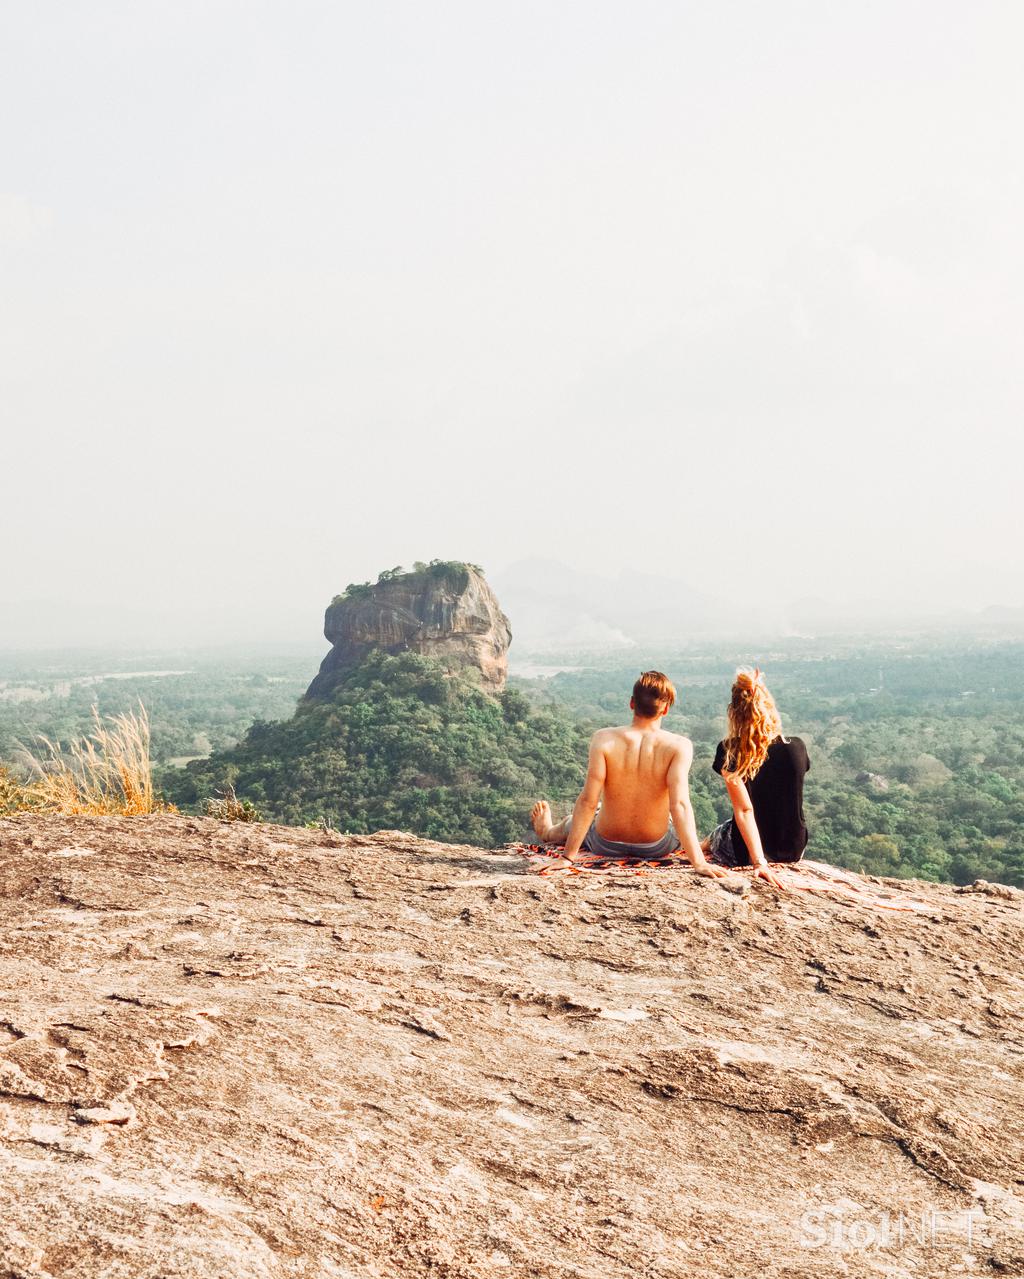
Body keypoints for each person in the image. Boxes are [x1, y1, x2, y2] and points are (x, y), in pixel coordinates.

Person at [530, 671, 732, 878]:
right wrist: (698, 862)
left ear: (631, 703)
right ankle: (702, 846)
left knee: (571, 821)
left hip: (605, 843)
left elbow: (588, 801)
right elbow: (679, 805)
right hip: (656, 846)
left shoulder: (603, 739)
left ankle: (548, 832)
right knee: (671, 817)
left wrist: (567, 858)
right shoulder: (679, 746)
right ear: (666, 710)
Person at [703, 668, 809, 888]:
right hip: (793, 847)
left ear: (734, 712)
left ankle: (697, 847)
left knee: (720, 832)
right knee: (726, 826)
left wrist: (759, 862)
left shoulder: (729, 751)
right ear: (770, 708)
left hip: (746, 851)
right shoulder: (796, 747)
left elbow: (744, 810)